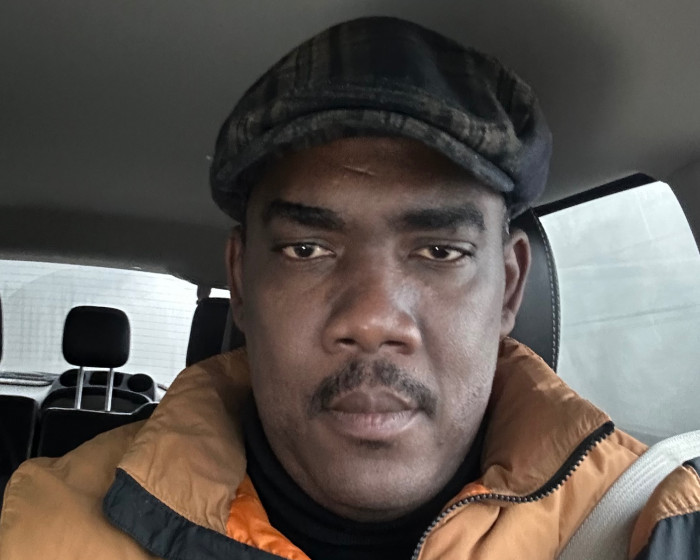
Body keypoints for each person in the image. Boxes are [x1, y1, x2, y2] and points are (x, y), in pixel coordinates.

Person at [1, 16, 698, 560]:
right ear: (240, 280)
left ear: (509, 288)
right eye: (307, 249)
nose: (371, 319)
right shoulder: (37, 529)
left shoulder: (651, 527)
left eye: (440, 251)